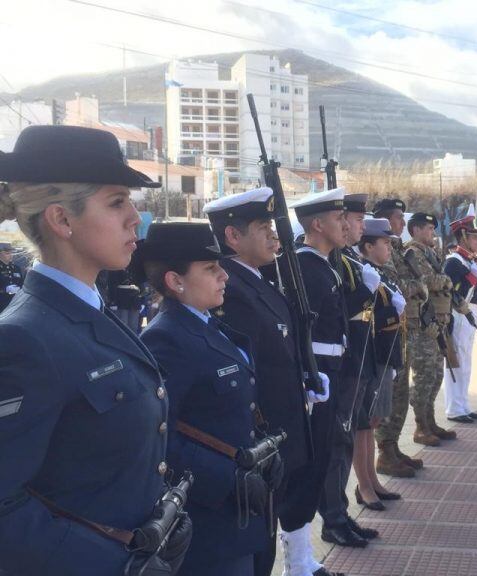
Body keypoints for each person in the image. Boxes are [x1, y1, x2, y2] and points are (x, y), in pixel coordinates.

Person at [0, 125, 192, 575]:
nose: (134, 218)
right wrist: (114, 564)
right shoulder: (24, 338)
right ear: (62, 220)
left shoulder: (88, 312)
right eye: (116, 202)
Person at [135, 222, 278, 576]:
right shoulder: (166, 339)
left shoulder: (207, 325)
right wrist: (226, 478)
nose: (224, 276)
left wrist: (262, 452)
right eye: (211, 269)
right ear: (175, 281)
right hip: (210, 520)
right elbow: (159, 434)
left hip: (243, 512)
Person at [202, 188, 321, 576]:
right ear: (233, 237)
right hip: (263, 436)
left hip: (283, 430)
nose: (274, 235)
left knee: (269, 530)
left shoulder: (257, 279)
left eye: (272, 225)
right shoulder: (230, 289)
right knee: (258, 544)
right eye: (263, 227)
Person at [286, 188, 358, 563]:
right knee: (311, 464)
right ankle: (299, 555)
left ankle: (303, 555)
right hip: (317, 375)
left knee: (325, 456)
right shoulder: (305, 266)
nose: (345, 225)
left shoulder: (324, 263)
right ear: (317, 224)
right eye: (338, 218)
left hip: (332, 367)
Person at [319, 192, 380, 548]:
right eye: (346, 220)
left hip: (354, 359)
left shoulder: (342, 261)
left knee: (344, 442)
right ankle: (333, 517)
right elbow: (334, 312)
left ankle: (339, 512)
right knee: (335, 445)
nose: (350, 226)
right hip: (336, 365)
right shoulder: (317, 263)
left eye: (352, 219)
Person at [354, 218, 405, 511]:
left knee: (371, 423)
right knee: (363, 423)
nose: (388, 247)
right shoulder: (363, 273)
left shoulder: (381, 273)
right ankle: (363, 485)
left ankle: (372, 479)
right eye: (384, 243)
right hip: (369, 356)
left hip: (385, 354)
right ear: (368, 246)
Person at [372, 198, 424, 478]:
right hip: (390, 328)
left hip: (405, 328)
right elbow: (392, 286)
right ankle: (385, 452)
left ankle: (392, 448)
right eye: (398, 218)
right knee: (391, 392)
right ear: (384, 220)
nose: (403, 223)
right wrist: (417, 286)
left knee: (401, 392)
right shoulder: (382, 248)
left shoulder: (399, 249)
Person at [402, 212, 456, 446]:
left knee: (436, 375)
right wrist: (444, 281)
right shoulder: (412, 252)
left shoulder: (430, 252)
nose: (432, 232)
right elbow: (425, 282)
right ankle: (421, 426)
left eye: (433, 228)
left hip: (438, 321)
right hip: (424, 323)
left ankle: (430, 421)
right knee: (424, 376)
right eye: (428, 228)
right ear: (415, 230)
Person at [442, 215, 477, 423]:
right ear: (464, 237)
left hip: (469, 313)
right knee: (456, 362)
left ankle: (463, 404)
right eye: (474, 237)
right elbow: (450, 292)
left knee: (466, 362)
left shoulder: (468, 261)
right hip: (458, 315)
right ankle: (454, 408)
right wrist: (470, 278)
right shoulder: (453, 262)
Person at [0, 242, 23, 313]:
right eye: (7, 253)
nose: (11, 255)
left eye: (11, 253)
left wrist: (20, 289)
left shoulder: (16, 268)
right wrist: (4, 290)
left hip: (14, 305)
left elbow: (22, 283)